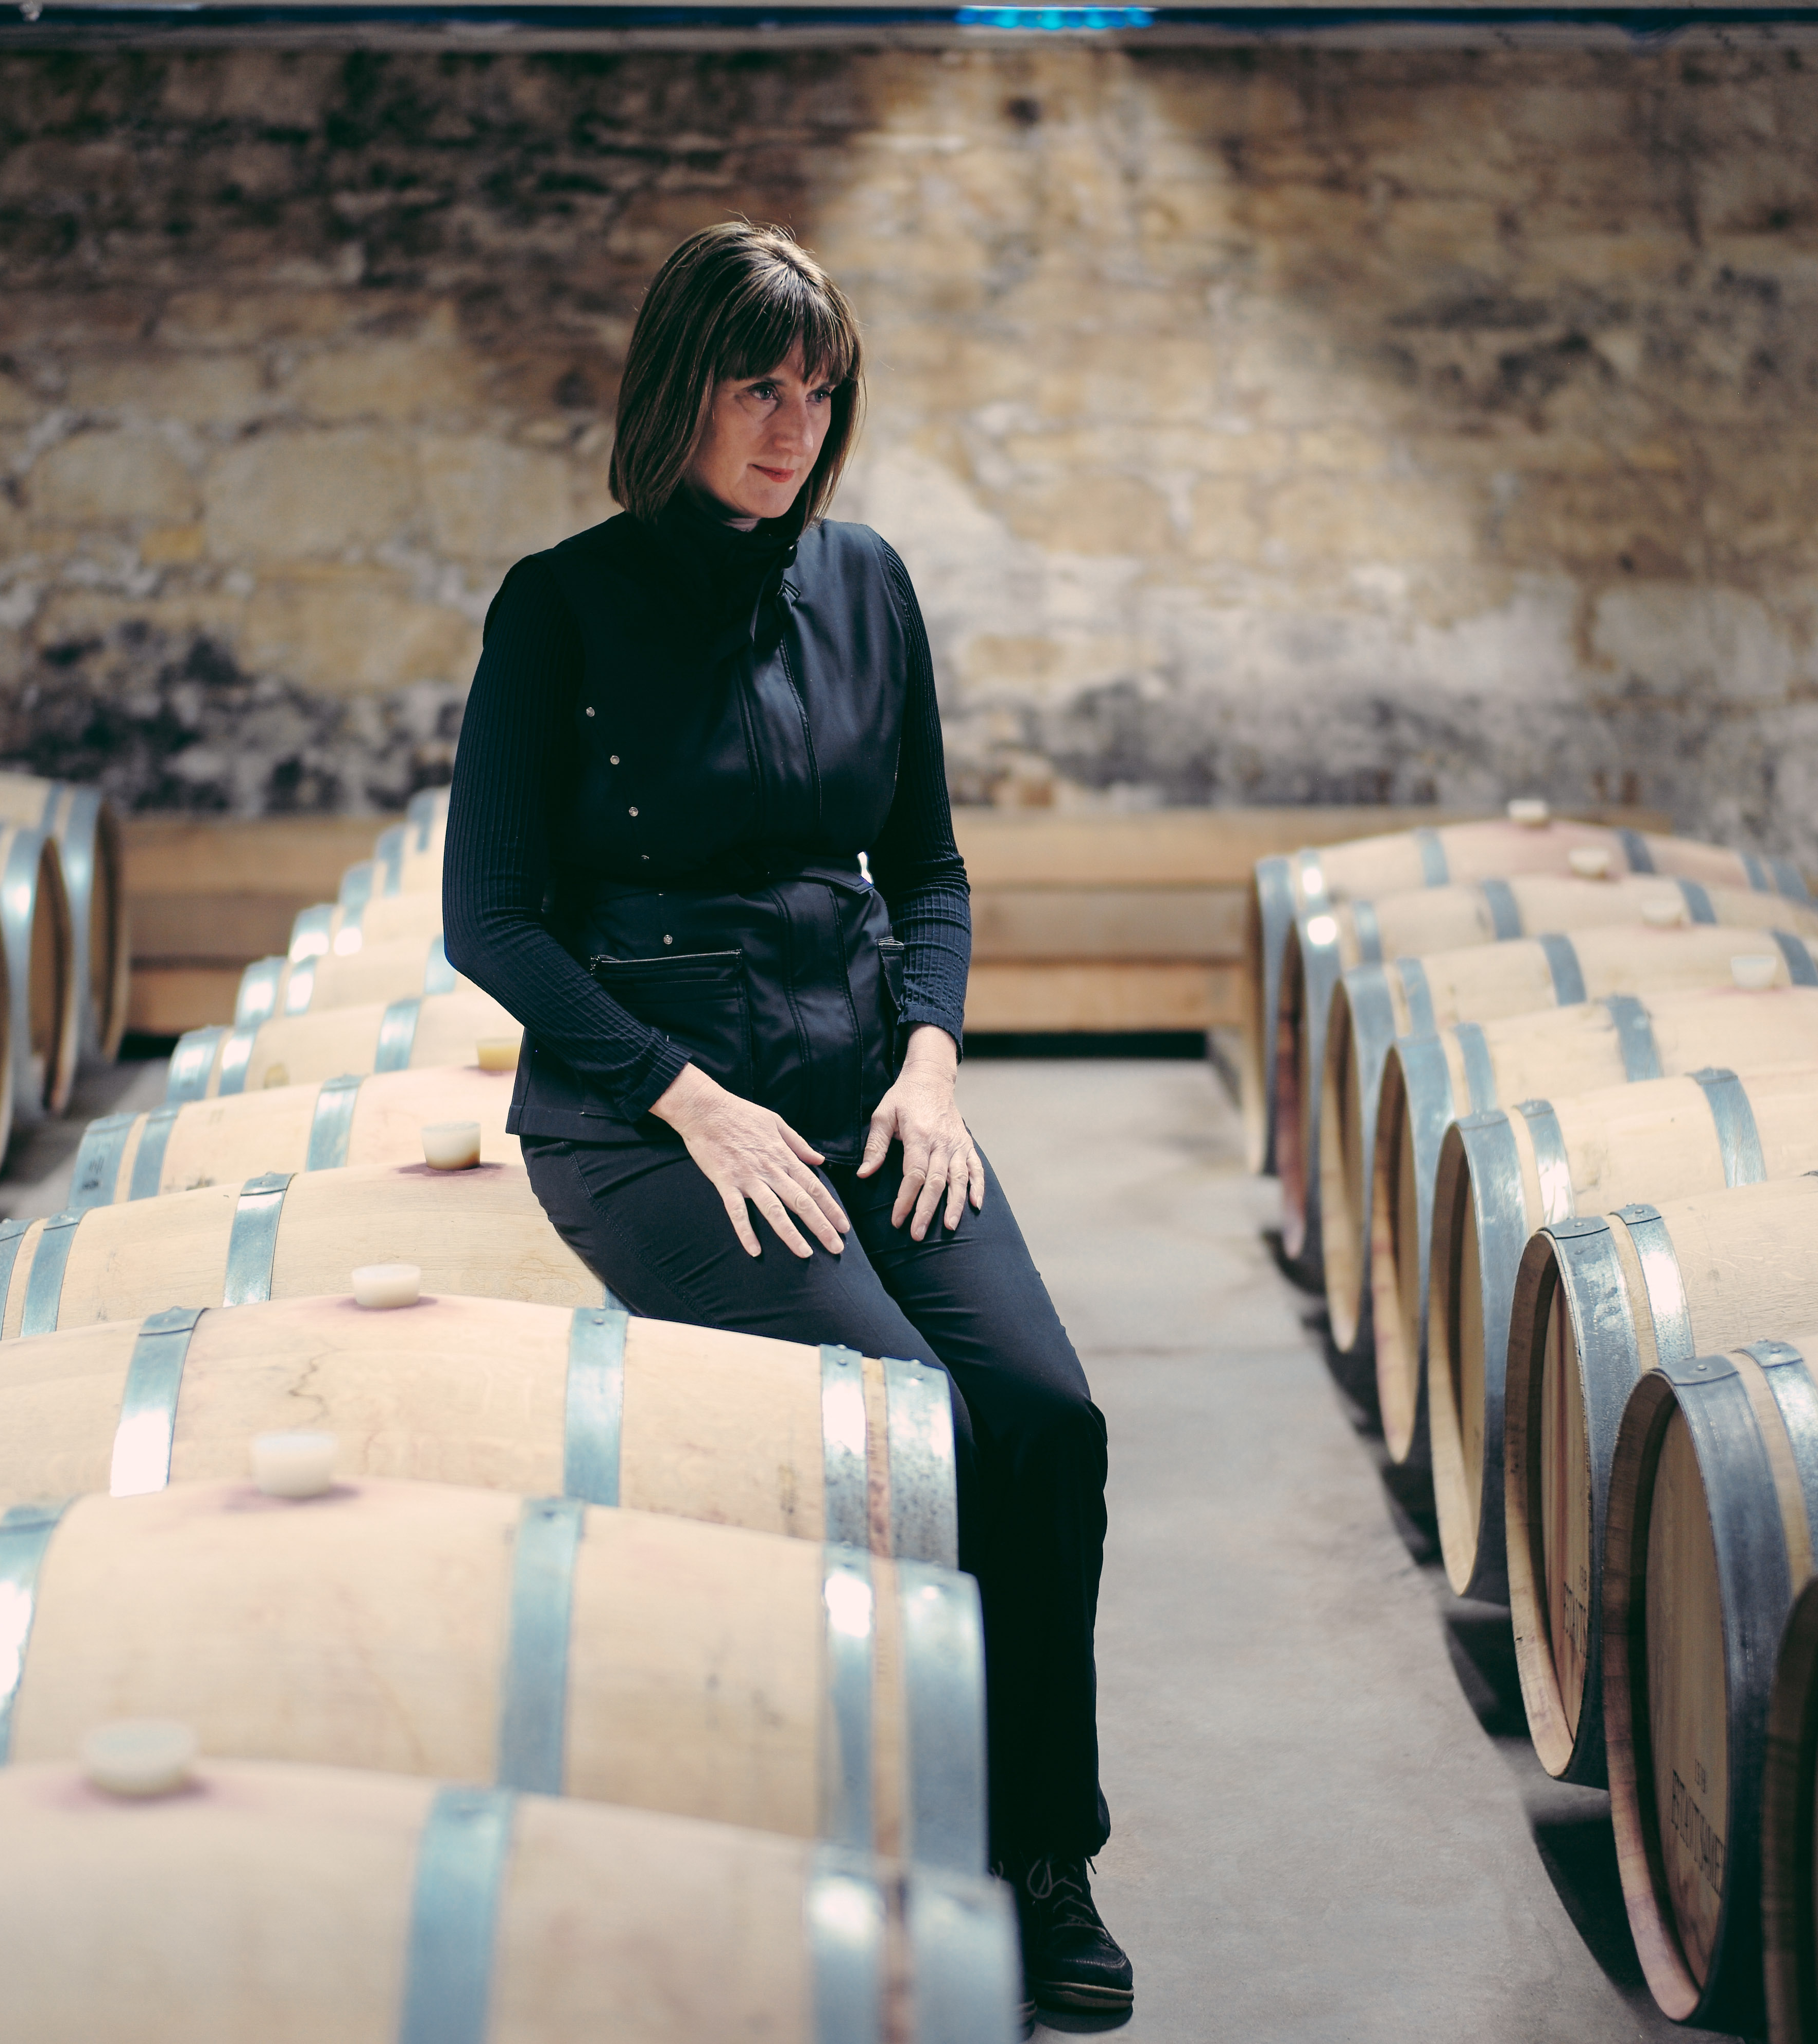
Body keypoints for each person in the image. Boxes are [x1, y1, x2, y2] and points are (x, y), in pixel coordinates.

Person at [442, 219, 1130, 2021]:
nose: (793, 424)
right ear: (681, 388)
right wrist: (683, 1101)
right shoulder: (561, 606)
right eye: (760, 384)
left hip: (859, 1077)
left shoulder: (870, 582)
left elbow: (930, 865)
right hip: (648, 1116)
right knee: (910, 1428)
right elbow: (491, 916)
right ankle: (912, 1829)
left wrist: (932, 1056)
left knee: (1047, 1419)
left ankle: (1040, 1848)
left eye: (819, 390)